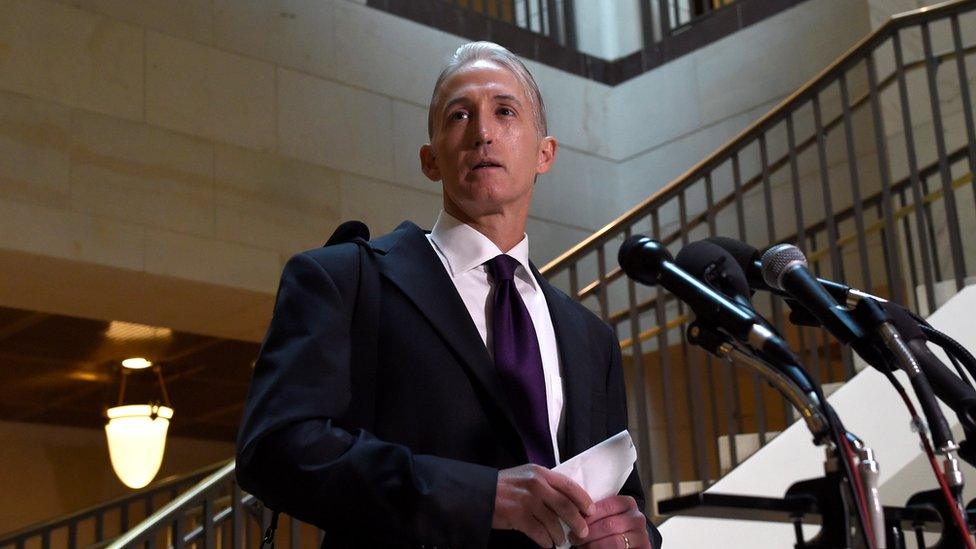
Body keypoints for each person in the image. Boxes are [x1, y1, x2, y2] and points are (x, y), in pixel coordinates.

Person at [237, 41, 661, 549]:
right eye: (459, 115)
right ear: (430, 159)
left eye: (505, 112)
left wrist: (638, 538)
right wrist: (481, 497)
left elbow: (617, 498)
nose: (483, 132)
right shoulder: (344, 280)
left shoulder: (590, 336)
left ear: (544, 153)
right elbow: (275, 449)